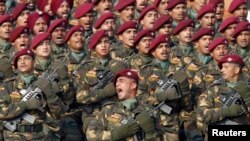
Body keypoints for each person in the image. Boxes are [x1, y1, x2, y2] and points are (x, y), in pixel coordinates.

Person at [0, 48, 66, 140]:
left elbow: (60, 114)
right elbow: (2, 112)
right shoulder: (8, 85)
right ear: (16, 65)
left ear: (34, 63)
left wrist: (51, 95)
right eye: (19, 60)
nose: (22, 62)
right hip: (14, 136)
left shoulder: (45, 83)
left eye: (26, 58)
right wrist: (24, 105)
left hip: (39, 135)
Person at [86, 69, 159, 140]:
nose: (117, 84)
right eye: (116, 82)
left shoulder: (149, 111)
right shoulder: (108, 110)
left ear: (133, 85)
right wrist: (115, 134)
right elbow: (90, 134)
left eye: (121, 81)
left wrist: (151, 134)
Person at [196, 54, 250, 141]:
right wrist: (226, 111)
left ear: (236, 69)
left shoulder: (247, 88)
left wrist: (248, 99)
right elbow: (201, 115)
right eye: (221, 67)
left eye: (226, 67)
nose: (222, 70)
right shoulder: (213, 89)